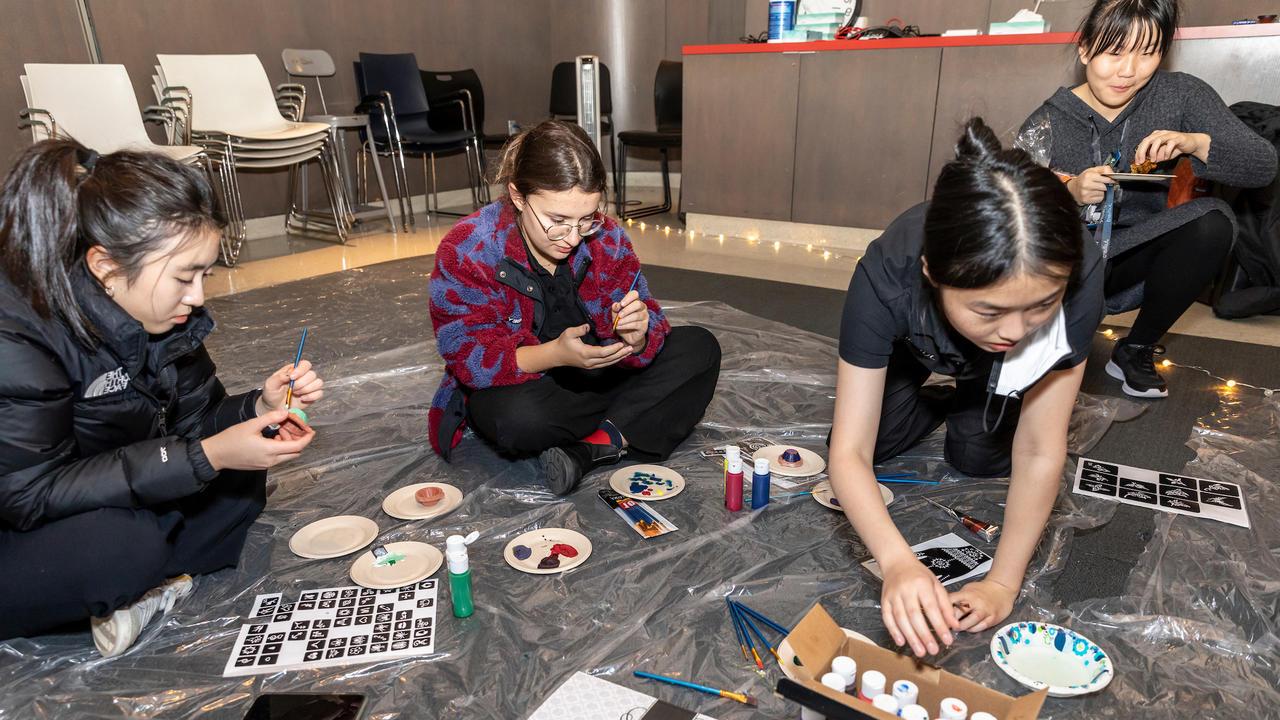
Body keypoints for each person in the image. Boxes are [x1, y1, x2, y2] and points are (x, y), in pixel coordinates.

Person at [0, 141, 323, 656]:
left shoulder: (166, 317)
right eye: (183, 277)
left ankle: (141, 587)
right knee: (123, 547)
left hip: (113, 489)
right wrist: (205, 457)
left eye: (204, 275)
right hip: (26, 523)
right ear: (105, 267)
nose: (197, 296)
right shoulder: (17, 336)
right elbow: (27, 495)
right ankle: (138, 577)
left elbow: (195, 421)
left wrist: (257, 410)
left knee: (240, 482)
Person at [828, 119, 1104, 658]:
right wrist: (898, 562)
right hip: (919, 348)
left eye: (1041, 306)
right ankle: (942, 395)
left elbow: (1042, 447)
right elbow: (850, 451)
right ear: (932, 273)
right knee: (876, 444)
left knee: (978, 458)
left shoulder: (1080, 268)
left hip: (1001, 372)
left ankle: (973, 396)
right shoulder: (889, 271)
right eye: (990, 310)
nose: (1015, 330)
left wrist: (1002, 581)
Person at [428, 120, 721, 494]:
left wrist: (639, 335)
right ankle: (627, 424)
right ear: (518, 196)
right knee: (515, 419)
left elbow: (648, 314)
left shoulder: (606, 236)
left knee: (700, 348)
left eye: (586, 219)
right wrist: (554, 355)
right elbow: (468, 355)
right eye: (557, 221)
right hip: (531, 387)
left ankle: (587, 449)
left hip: (597, 374)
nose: (572, 237)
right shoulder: (468, 248)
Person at [1021, 0, 1278, 397]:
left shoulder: (1180, 94)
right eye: (1114, 52)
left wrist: (1196, 142)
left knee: (1213, 221)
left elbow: (1262, 166)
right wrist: (1068, 193)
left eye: (1147, 52)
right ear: (1085, 49)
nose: (1128, 70)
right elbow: (1010, 211)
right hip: (1068, 264)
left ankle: (1136, 347)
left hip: (1137, 252)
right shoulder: (1049, 121)